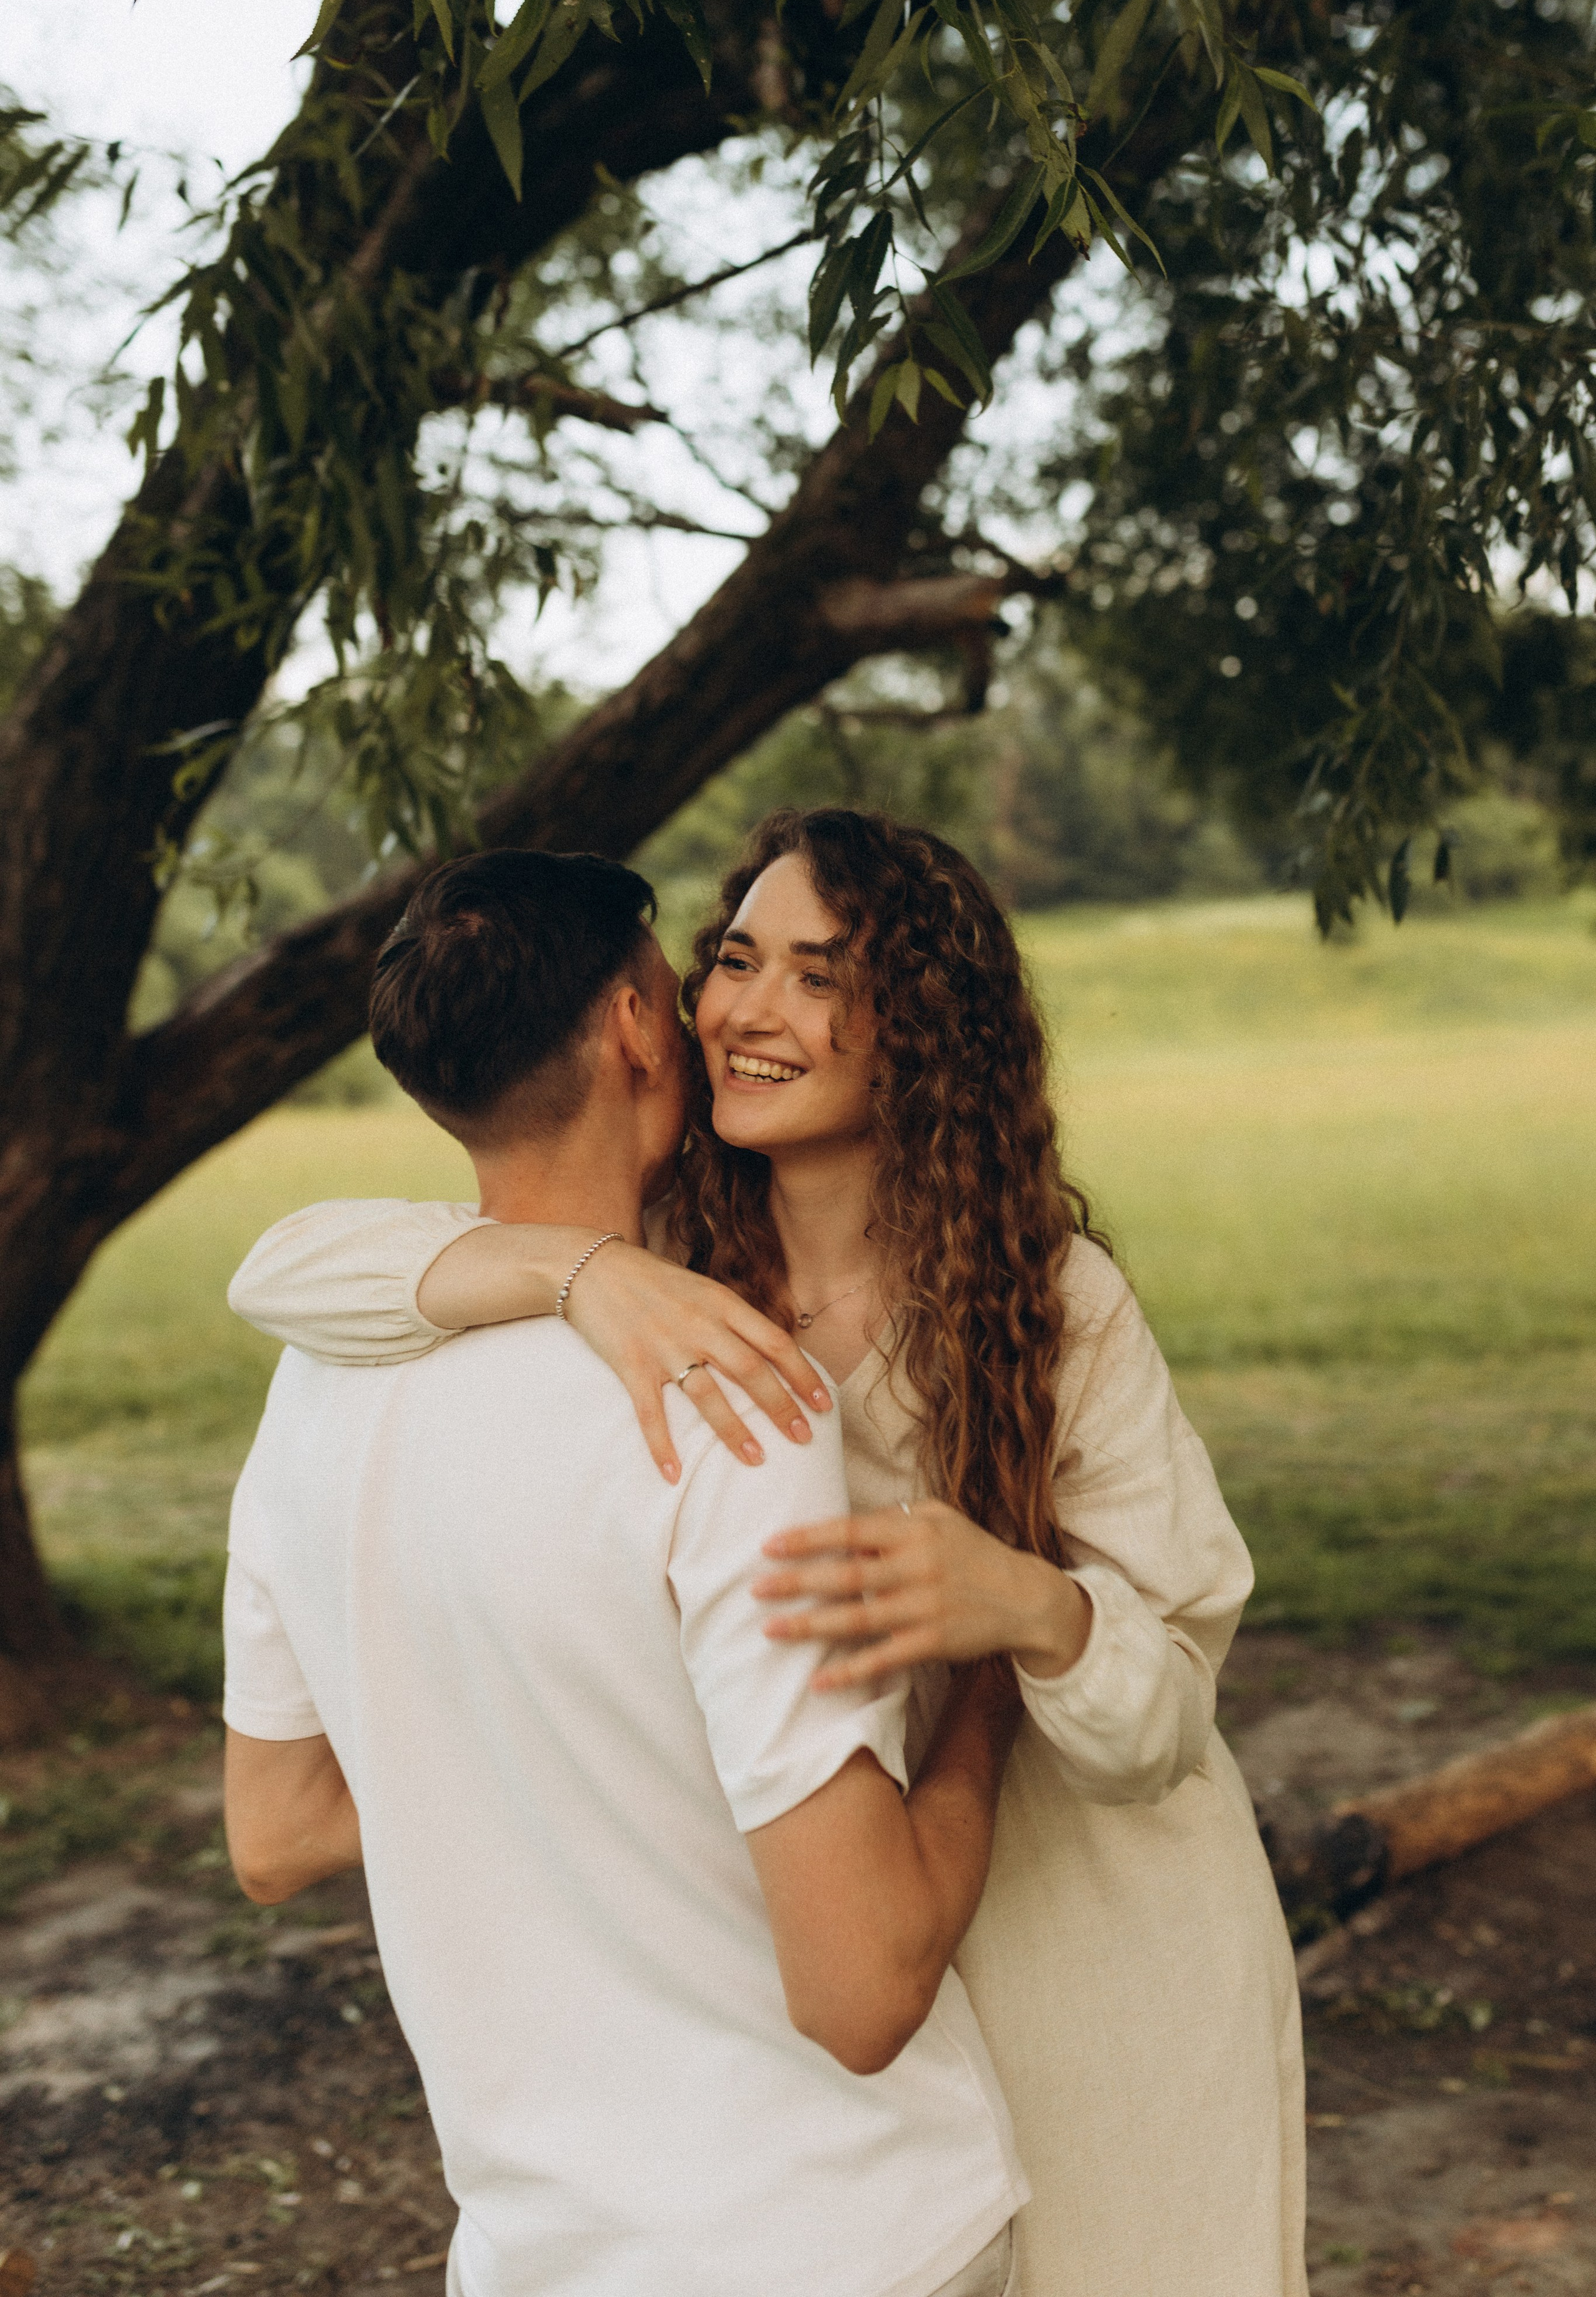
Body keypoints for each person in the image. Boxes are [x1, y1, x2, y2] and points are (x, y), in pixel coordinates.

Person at [232, 809, 1308, 2297]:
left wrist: (1033, 1612)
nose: (747, 1009)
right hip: (813, 1937)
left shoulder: (1053, 1304)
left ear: (920, 1022)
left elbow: (1167, 1713)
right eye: (734, 960)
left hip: (1084, 1936)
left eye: (820, 975)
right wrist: (579, 1272)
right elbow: (284, 1276)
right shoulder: (653, 1270)